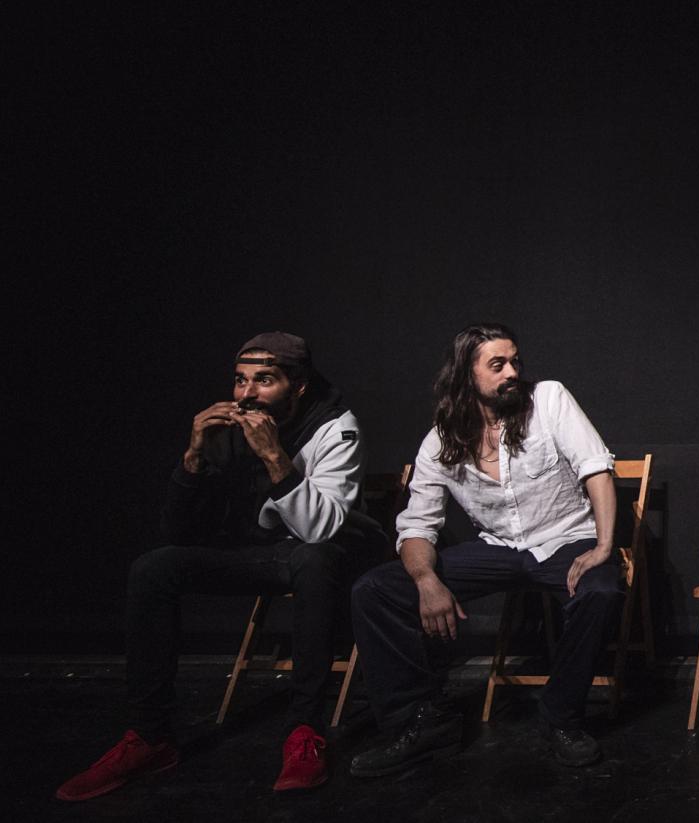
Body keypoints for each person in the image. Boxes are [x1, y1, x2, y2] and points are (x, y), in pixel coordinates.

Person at [57, 333, 384, 800]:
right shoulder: (228, 429)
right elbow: (178, 533)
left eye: (264, 380)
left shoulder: (336, 427)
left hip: (324, 551)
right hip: (257, 551)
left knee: (313, 559)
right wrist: (192, 458)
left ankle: (304, 731)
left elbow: (319, 528)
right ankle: (150, 737)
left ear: (298, 385)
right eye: (240, 380)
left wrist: (273, 455)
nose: (247, 394)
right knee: (154, 567)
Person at [348, 323, 624, 775]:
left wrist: (604, 546)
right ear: (466, 375)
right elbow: (417, 525)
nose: (512, 372)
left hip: (565, 539)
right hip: (499, 548)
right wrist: (426, 580)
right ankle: (421, 722)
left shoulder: (548, 399)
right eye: (498, 365)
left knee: (602, 591)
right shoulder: (440, 440)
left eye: (515, 361)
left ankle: (561, 718)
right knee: (375, 590)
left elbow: (596, 469)